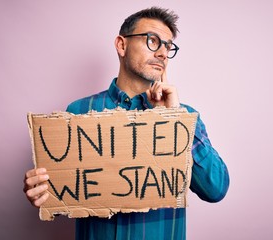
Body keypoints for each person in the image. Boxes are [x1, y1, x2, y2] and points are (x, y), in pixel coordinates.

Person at [24, 7, 229, 240]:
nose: (162, 52)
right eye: (153, 41)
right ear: (122, 45)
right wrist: (41, 191)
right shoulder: (78, 112)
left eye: (168, 46)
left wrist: (174, 118)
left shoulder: (184, 116)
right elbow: (66, 195)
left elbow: (216, 189)